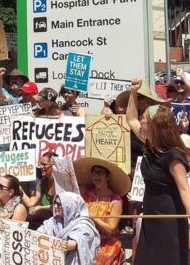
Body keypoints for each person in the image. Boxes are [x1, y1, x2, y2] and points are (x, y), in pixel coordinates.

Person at [126, 79, 190, 265]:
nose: (141, 121)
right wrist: (132, 93)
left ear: (154, 126)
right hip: (151, 214)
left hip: (168, 216)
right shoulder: (149, 144)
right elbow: (131, 119)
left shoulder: (173, 156)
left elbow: (185, 190)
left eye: (144, 120)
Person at [74, 157, 130, 265]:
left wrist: (91, 216)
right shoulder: (85, 191)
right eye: (94, 173)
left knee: (100, 257)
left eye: (100, 173)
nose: (97, 176)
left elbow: (111, 229)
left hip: (105, 244)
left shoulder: (115, 200)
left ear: (108, 177)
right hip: (83, 239)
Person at [38, 192, 100, 265]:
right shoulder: (53, 221)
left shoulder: (83, 223)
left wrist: (75, 243)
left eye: (59, 204)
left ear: (69, 206)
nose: (55, 206)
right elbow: (40, 231)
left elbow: (84, 236)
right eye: (54, 203)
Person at [21, 151, 57, 229]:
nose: (40, 167)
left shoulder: (61, 182)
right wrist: (18, 188)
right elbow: (31, 202)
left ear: (53, 166)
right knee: (29, 218)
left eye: (44, 164)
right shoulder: (42, 182)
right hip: (50, 215)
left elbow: (62, 206)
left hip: (61, 216)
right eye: (40, 164)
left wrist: (41, 208)